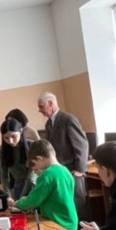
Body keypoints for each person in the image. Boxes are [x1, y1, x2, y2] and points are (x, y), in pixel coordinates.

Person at [37, 91, 89, 220]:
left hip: (72, 171)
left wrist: (79, 170)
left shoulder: (68, 119)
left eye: (41, 107)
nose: (39, 110)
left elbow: (82, 145)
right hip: (59, 170)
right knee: (66, 204)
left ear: (50, 103)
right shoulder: (48, 124)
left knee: (77, 204)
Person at [8, 139, 78, 230]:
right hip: (70, 222)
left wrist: (16, 204)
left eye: (36, 165)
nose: (35, 171)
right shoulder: (65, 170)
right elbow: (53, 197)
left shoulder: (47, 174)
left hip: (59, 224)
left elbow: (33, 200)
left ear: (39, 159)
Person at [0, 118, 37, 200]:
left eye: (14, 136)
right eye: (6, 138)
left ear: (21, 131)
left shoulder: (32, 146)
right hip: (18, 184)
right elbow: (4, 175)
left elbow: (31, 175)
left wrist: (24, 195)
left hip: (35, 183)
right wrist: (8, 196)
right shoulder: (2, 150)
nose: (10, 141)